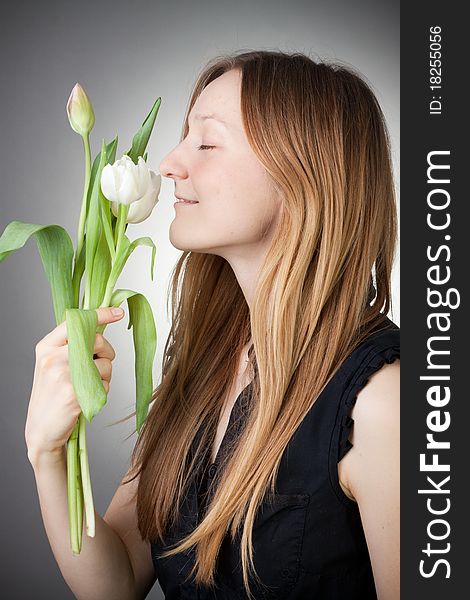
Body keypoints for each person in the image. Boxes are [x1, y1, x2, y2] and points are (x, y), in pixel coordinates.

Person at [26, 50, 400, 599]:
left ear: (300, 175)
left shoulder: (384, 402)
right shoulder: (202, 365)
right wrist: (47, 455)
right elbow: (117, 582)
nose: (171, 163)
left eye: (206, 142)